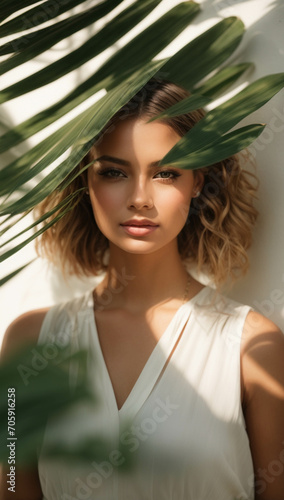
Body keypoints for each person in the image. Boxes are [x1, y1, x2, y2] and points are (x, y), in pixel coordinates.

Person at [1, 77, 283, 500]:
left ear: (198, 182)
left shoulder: (251, 345)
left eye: (166, 173)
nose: (139, 198)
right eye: (114, 172)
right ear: (85, 181)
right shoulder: (28, 340)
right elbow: (10, 488)